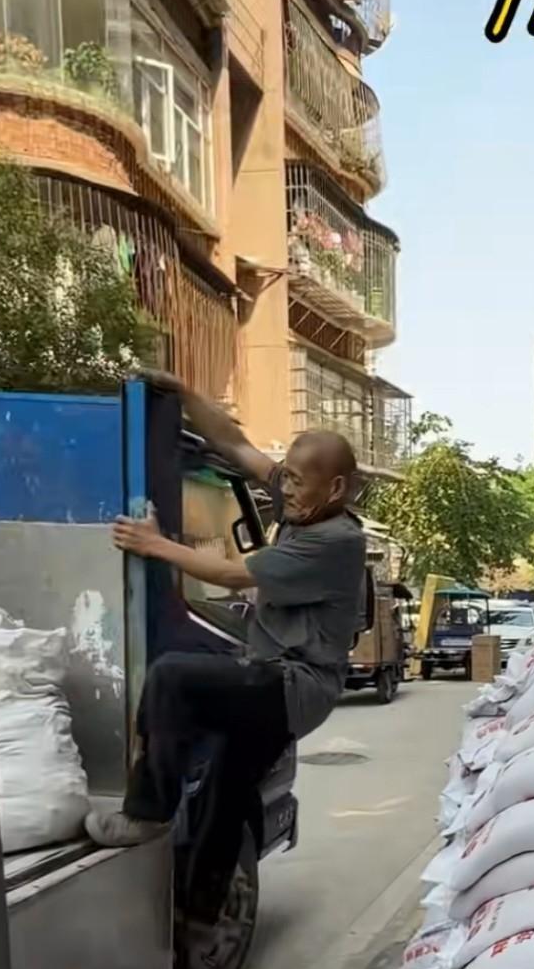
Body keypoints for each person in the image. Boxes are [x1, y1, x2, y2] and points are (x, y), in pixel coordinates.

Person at [85, 376, 367, 918]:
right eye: (286, 478)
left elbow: (231, 573)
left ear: (334, 489)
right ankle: (202, 910)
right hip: (273, 675)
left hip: (295, 683)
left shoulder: (335, 541)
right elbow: (234, 445)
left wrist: (154, 544)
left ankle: (147, 811)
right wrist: (187, 392)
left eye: (298, 482)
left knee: (172, 677)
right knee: (227, 790)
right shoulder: (303, 501)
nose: (286, 490)